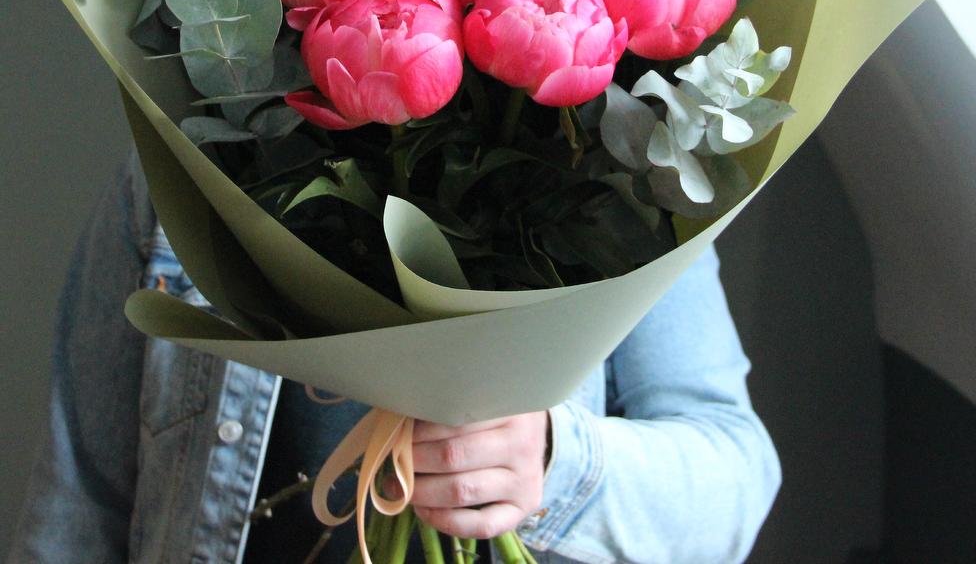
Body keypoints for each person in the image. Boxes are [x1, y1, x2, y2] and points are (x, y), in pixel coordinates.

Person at [7, 151, 780, 564]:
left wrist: (552, 461)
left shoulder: (617, 188)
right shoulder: (178, 175)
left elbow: (735, 482)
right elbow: (78, 505)